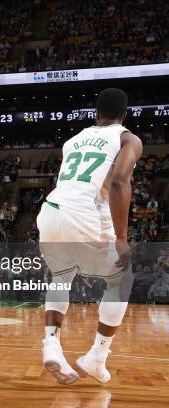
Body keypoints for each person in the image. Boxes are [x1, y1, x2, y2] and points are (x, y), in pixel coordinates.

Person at [37, 88, 142, 384]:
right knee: (122, 279)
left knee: (61, 278)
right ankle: (97, 356)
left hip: (51, 209)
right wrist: (121, 239)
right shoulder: (127, 138)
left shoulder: (73, 140)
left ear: (96, 113)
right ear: (125, 115)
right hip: (84, 214)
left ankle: (52, 345)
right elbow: (121, 182)